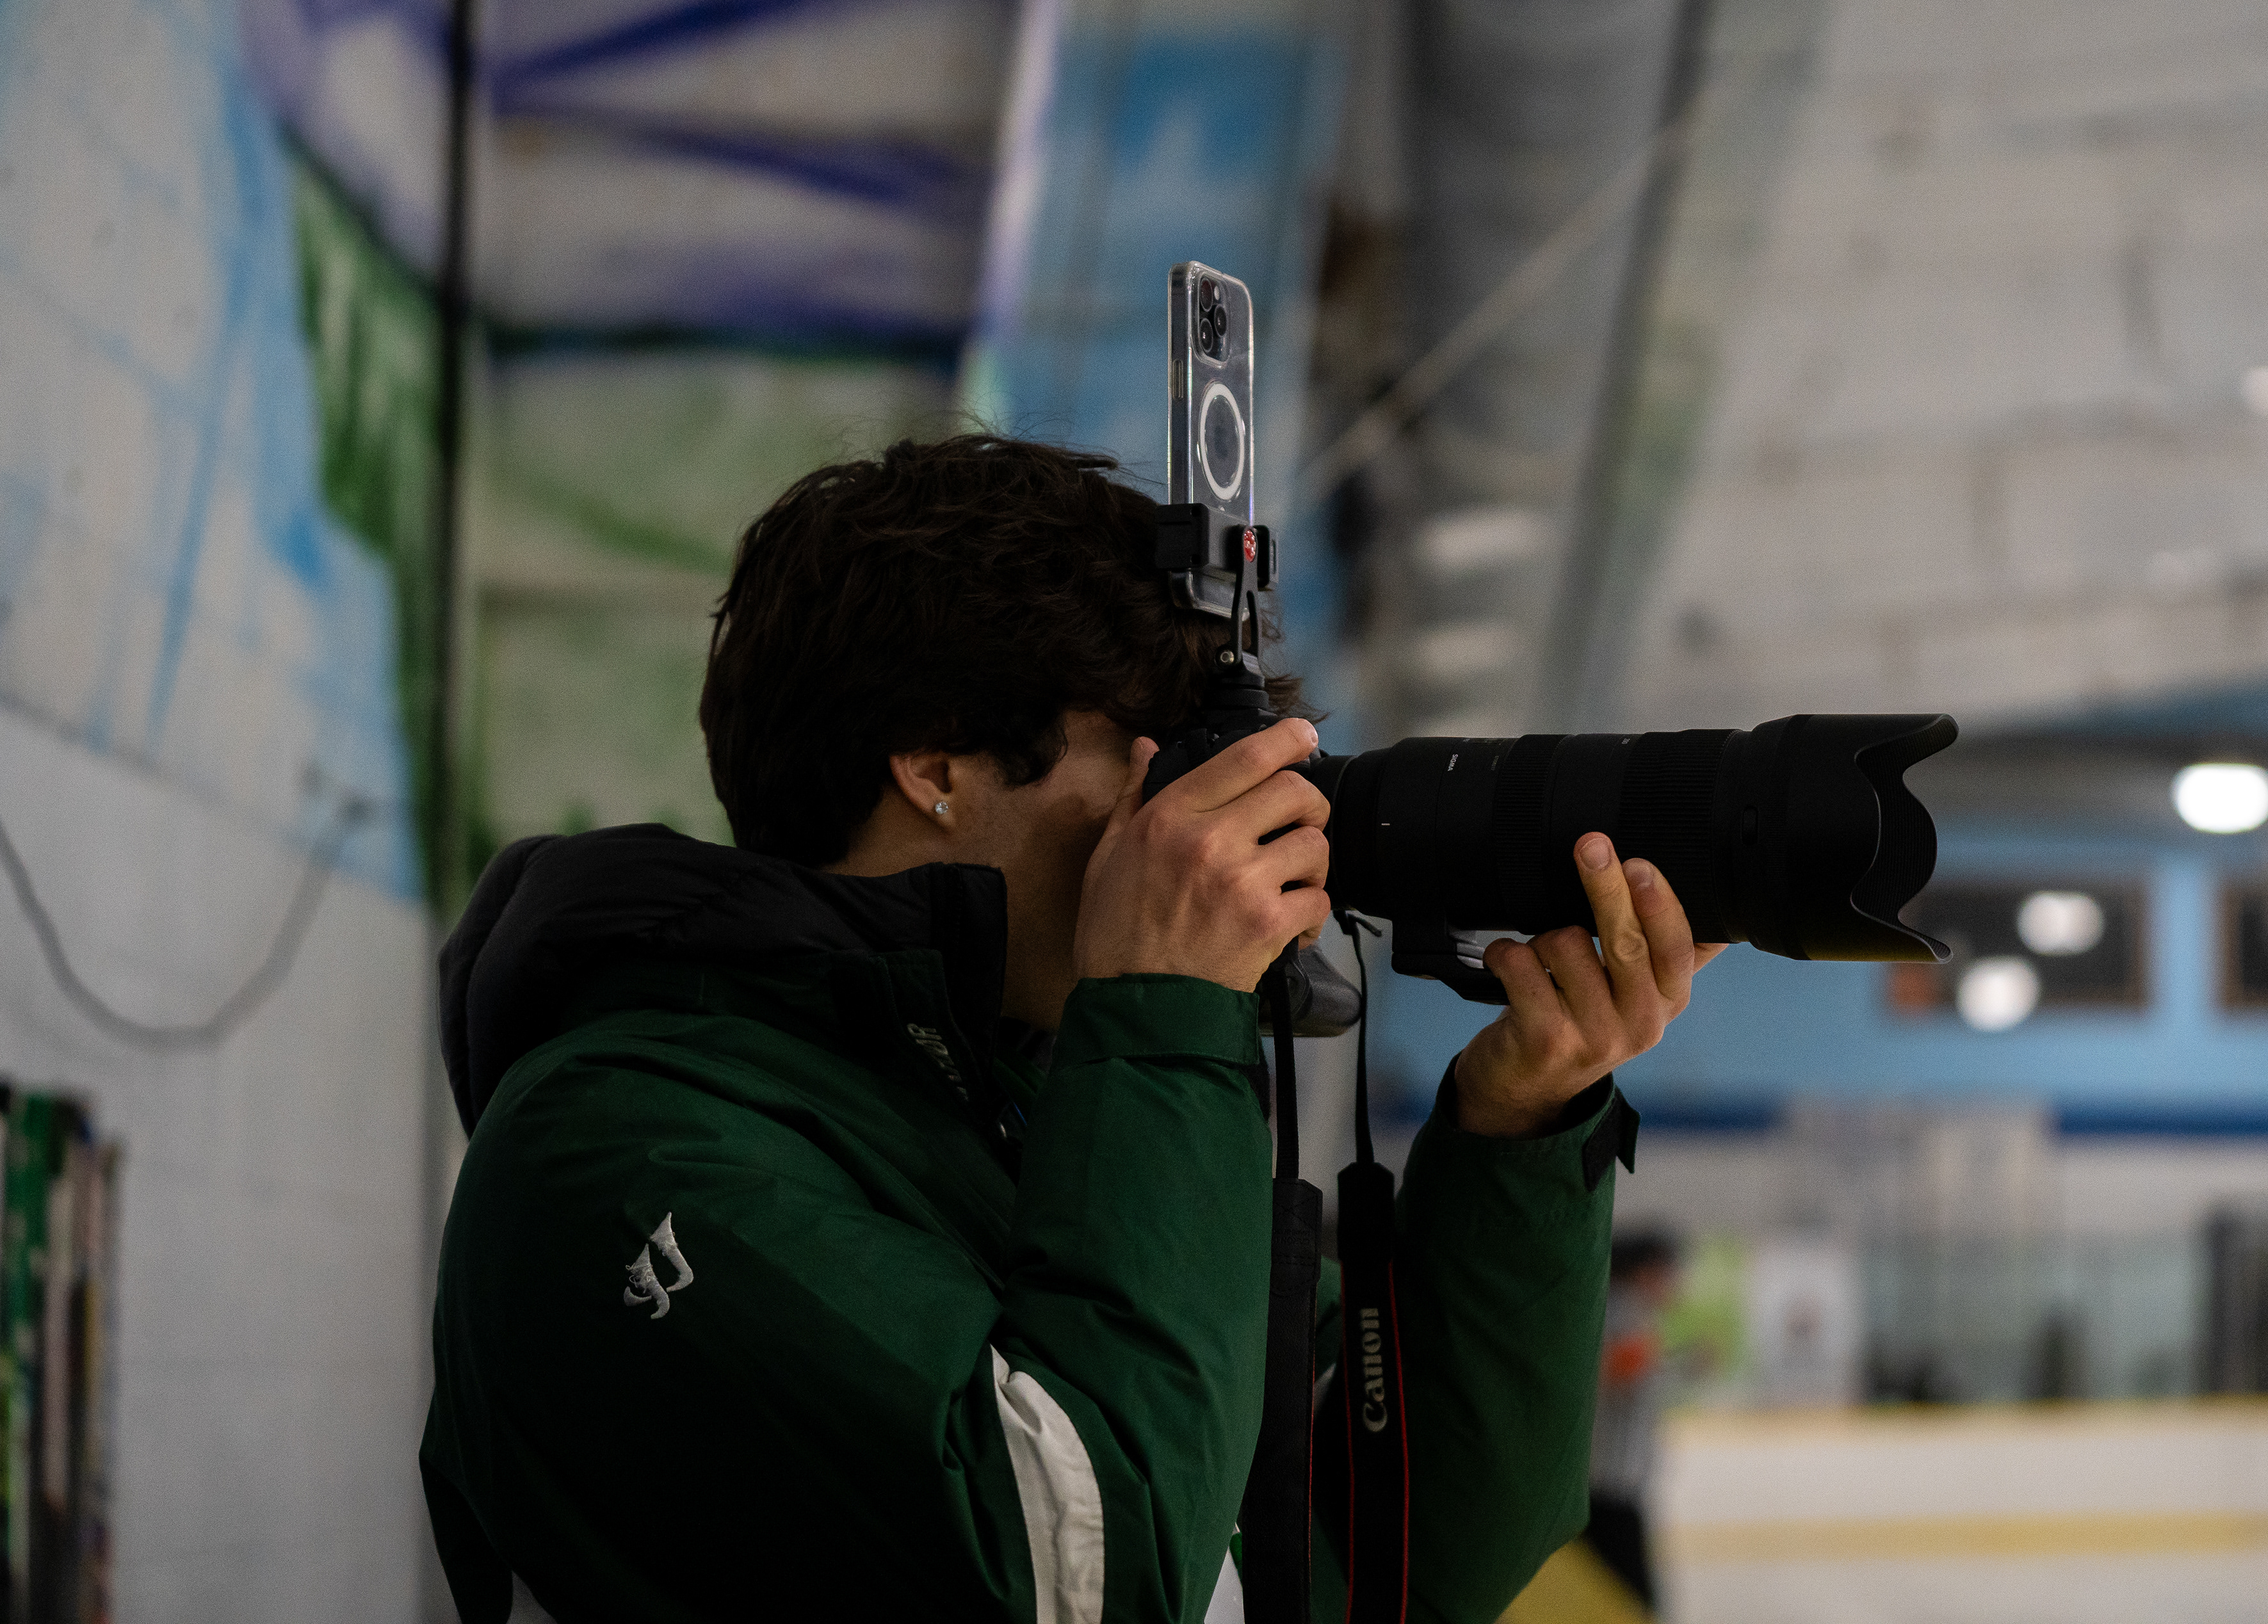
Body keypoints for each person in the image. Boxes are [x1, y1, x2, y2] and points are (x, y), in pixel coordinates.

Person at [419, 435, 1722, 1623]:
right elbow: (1075, 1578)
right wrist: (1163, 1009)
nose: (1214, 821)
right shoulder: (616, 1147)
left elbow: (1391, 1566)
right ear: (938, 768)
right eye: (1165, 765)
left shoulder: (1026, 1114)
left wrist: (1515, 1135)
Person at [1586, 1229, 1686, 1618]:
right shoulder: (1621, 1314)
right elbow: (1615, 1371)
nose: (1675, 1284)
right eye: (1670, 1272)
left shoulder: (1622, 1313)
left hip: (1610, 1488)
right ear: (1646, 1271)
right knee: (1635, 1606)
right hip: (1608, 1490)